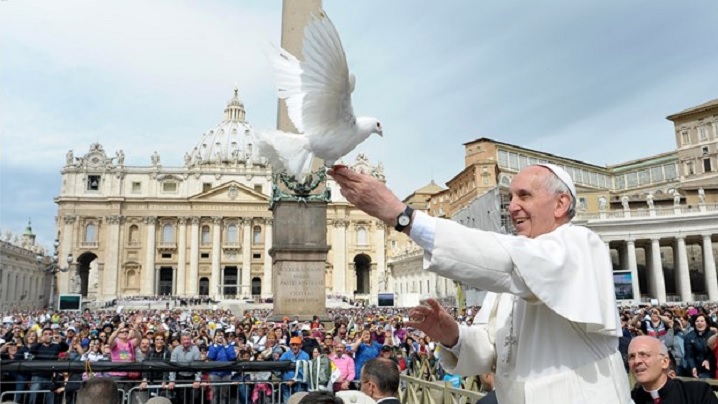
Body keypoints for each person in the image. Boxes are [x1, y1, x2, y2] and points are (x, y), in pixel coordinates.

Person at [330, 163, 631, 403]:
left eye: (524, 196)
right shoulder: (513, 277)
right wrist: (453, 335)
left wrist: (403, 217)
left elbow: (508, 260)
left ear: (561, 203)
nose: (512, 206)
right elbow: (488, 351)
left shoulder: (580, 244)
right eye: (510, 197)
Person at [628, 336, 718, 403]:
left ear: (664, 362)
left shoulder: (698, 393)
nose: (636, 361)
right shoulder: (627, 399)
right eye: (631, 356)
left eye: (644, 354)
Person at [168, 332, 202, 403]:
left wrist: (197, 380)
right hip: (180, 377)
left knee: (194, 399)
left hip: (192, 377)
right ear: (181, 341)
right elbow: (172, 367)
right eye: (184, 339)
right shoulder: (176, 350)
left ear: (191, 340)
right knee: (181, 399)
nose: (186, 341)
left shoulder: (195, 349)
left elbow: (198, 366)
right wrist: (172, 380)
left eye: (188, 339)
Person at [280, 336, 311, 402]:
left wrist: (294, 380)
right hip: (287, 384)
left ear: (301, 345)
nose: (295, 347)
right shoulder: (285, 355)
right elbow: (280, 366)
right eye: (293, 344)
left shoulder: (305, 355)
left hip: (300, 384)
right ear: (290, 346)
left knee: (299, 401)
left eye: (297, 345)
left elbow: (304, 370)